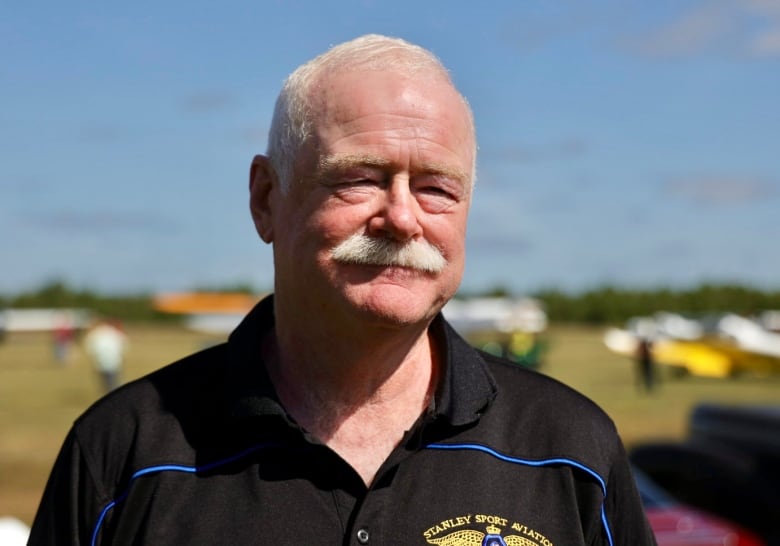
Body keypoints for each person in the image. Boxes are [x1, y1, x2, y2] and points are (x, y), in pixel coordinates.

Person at [29, 35, 656, 545]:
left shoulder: (571, 450)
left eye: (436, 188)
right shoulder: (122, 453)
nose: (403, 217)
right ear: (266, 199)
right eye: (359, 178)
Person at [83, 318, 128, 393]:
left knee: (105, 380)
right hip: (114, 360)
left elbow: (89, 346)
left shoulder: (96, 333)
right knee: (113, 379)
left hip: (100, 360)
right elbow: (124, 344)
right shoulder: (114, 332)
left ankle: (108, 393)